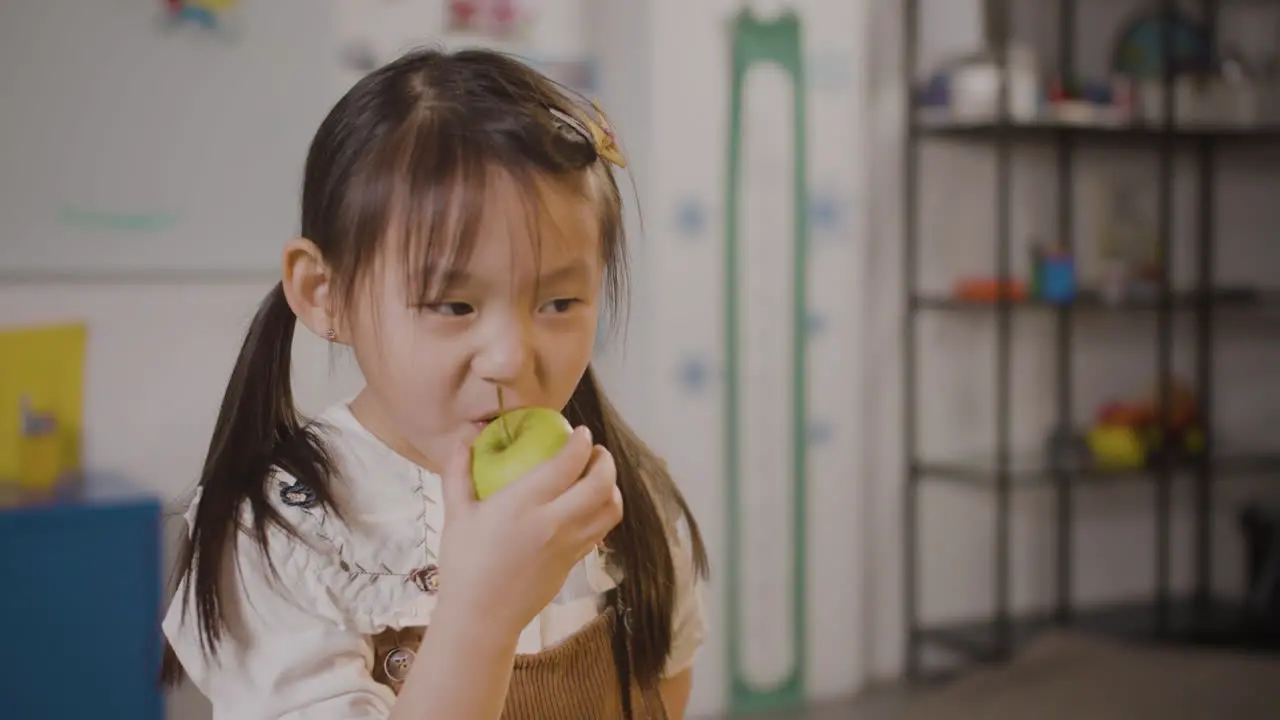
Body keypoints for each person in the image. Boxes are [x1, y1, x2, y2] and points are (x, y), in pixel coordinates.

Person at [160, 47, 709, 720]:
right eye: (454, 306)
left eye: (559, 304)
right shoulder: (284, 535)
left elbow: (665, 692)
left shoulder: (622, 496)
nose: (510, 358)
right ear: (323, 292)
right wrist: (483, 612)